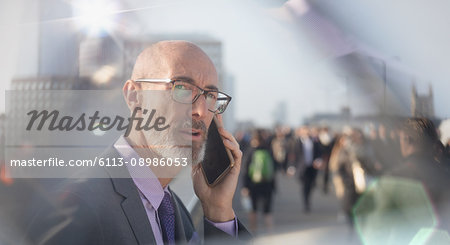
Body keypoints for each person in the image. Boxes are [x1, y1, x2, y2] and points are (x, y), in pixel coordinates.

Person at [26, 41, 251, 244]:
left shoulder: (174, 208)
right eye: (181, 88)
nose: (200, 110)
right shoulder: (76, 206)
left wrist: (218, 209)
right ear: (134, 95)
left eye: (210, 96)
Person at [242, 129, 276, 233]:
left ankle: (254, 232)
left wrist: (244, 186)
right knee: (268, 211)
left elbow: (245, 170)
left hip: (253, 185)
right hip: (267, 185)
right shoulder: (268, 150)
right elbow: (274, 168)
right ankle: (270, 233)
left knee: (253, 210)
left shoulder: (250, 151)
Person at [294, 126, 322, 213]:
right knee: (305, 186)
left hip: (312, 167)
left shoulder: (314, 141)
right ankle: (306, 204)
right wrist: (291, 167)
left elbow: (319, 153)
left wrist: (318, 160)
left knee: (310, 185)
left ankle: (308, 199)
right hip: (302, 168)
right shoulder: (297, 142)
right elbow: (293, 155)